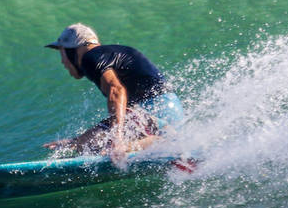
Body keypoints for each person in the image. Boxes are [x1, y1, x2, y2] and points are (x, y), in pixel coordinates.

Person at [43, 23, 184, 162]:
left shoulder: (90, 58)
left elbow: (116, 90)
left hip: (156, 113)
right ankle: (162, 140)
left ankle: (163, 141)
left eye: (62, 52)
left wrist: (118, 139)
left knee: (105, 148)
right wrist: (77, 141)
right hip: (166, 112)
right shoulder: (106, 54)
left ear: (74, 50)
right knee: (86, 142)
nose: (62, 61)